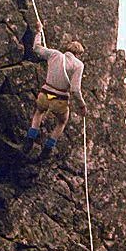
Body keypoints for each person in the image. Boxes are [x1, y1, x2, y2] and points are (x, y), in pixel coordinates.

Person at [22, 21, 87, 160]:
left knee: (39, 112)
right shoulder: (78, 65)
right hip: (59, 99)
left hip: (46, 95)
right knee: (61, 122)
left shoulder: (54, 54)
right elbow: (75, 89)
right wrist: (82, 106)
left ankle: (30, 139)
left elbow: (37, 48)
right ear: (78, 54)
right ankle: (48, 148)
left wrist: (39, 31)